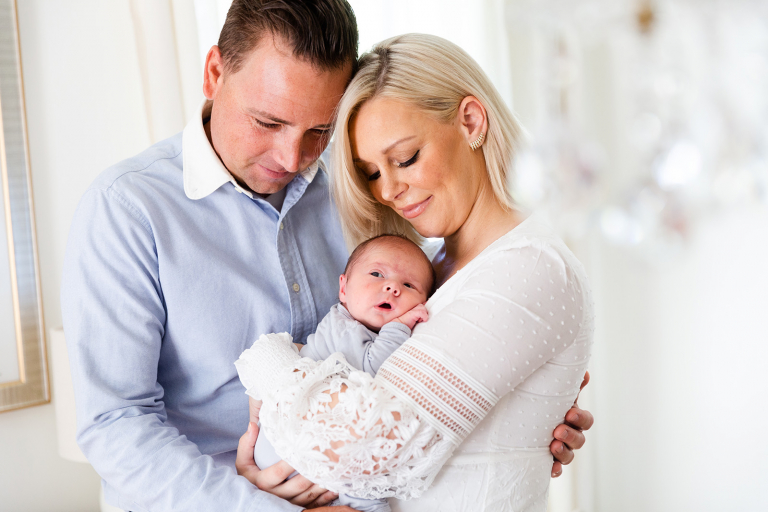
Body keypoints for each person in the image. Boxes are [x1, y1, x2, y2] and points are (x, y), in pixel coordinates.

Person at [61, 0, 591, 510]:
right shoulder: (128, 211)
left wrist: (519, 412)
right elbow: (116, 422)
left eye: (319, 130)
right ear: (214, 73)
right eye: (268, 123)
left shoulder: (364, 183)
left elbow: (452, 317)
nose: (291, 157)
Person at [234, 33, 594, 511]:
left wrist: (268, 364)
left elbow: (365, 450)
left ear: (470, 121)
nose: (389, 191)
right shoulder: (429, 266)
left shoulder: (529, 268)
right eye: (372, 173)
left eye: (405, 159)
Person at [250, 234, 434, 512]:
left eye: (408, 285)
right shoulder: (343, 325)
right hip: (285, 444)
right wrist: (400, 326)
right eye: (376, 273)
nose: (392, 287)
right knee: (365, 493)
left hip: (302, 450)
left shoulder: (363, 329)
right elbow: (372, 368)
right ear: (344, 289)